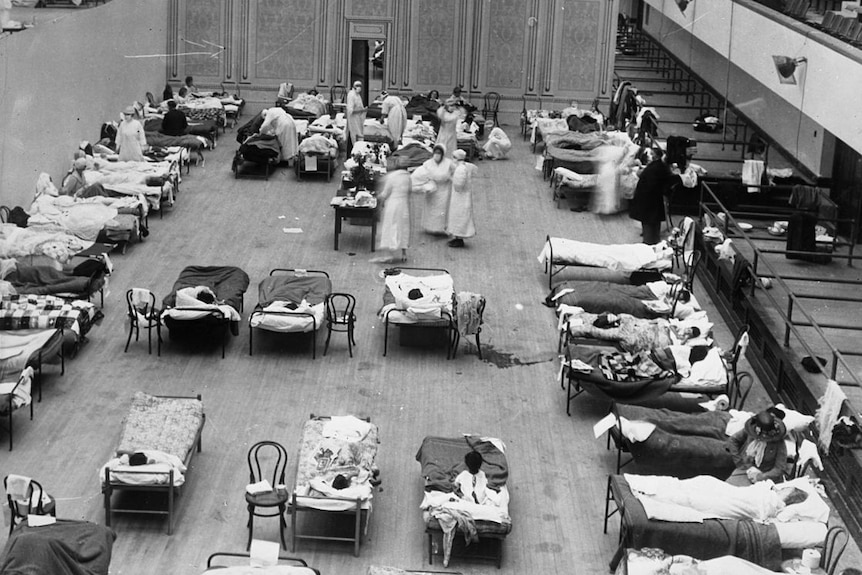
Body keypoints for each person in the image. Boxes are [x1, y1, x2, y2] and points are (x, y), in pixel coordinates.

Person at [628, 136, 699, 245]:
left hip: (651, 200)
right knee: (651, 237)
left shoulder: (661, 164)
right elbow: (670, 181)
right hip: (648, 202)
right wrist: (681, 178)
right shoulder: (660, 168)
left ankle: (651, 245)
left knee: (653, 232)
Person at [727, 409, 789, 486]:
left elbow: (779, 468)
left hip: (765, 477)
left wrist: (760, 477)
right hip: (745, 468)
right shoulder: (751, 431)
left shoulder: (779, 443)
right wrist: (740, 462)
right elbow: (733, 440)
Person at [412, 144, 454, 235]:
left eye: (439, 153)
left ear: (443, 154)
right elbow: (421, 174)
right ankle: (430, 227)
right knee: (431, 210)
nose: (437, 155)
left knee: (442, 211)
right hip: (432, 190)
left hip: (444, 190)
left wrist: (451, 179)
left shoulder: (449, 163)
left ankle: (442, 228)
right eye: (435, 152)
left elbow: (455, 174)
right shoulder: (427, 163)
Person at [372, 167, 411, 263]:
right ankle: (403, 253)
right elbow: (409, 191)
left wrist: (376, 197)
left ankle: (389, 254)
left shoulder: (392, 177)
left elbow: (385, 193)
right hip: (403, 205)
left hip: (393, 205)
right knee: (403, 227)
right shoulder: (407, 177)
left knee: (390, 227)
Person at [446, 149, 476, 248]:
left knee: (459, 217)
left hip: (461, 198)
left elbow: (458, 185)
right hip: (461, 197)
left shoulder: (460, 169)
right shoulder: (464, 167)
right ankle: (457, 237)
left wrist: (450, 177)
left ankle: (459, 239)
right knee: (458, 217)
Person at [346, 80, 367, 150]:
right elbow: (350, 110)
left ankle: (360, 149)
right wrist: (362, 110)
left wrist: (363, 110)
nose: (359, 87)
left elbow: (359, 106)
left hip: (358, 118)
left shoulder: (357, 95)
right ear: (354, 87)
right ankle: (357, 150)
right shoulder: (351, 95)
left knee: (360, 134)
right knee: (356, 135)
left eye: (360, 86)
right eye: (357, 86)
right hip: (353, 118)